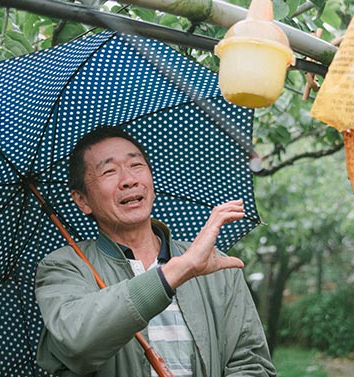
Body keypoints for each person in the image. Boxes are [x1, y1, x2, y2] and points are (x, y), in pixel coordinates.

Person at [35, 126, 276, 376]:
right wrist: (177, 271)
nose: (129, 180)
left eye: (136, 165)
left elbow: (251, 363)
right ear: (82, 200)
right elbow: (77, 340)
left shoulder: (216, 266)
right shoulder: (63, 267)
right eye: (109, 171)